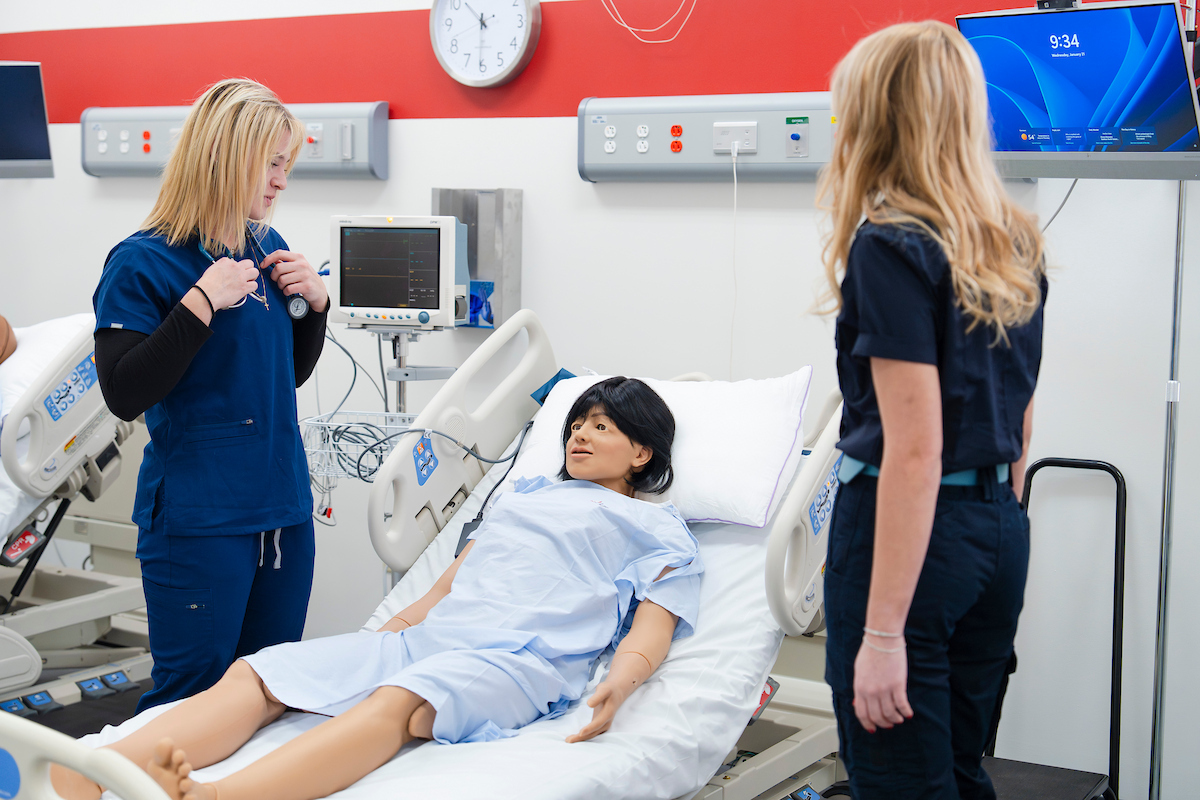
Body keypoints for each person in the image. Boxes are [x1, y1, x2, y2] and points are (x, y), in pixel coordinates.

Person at [51, 377, 703, 800]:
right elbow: (454, 580)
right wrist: (390, 633)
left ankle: (221, 797)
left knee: (402, 700)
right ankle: (107, 770)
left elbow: (656, 619)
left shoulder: (656, 527)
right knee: (263, 672)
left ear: (642, 454)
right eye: (577, 424)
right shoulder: (523, 494)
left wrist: (626, 678)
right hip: (433, 638)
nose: (579, 435)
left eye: (602, 427)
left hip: (519, 661)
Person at [816, 21, 1047, 800]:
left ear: (879, 119)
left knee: (899, 780)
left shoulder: (890, 246)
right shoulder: (1013, 241)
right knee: (956, 768)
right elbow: (1020, 421)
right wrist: (985, 525)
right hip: (997, 533)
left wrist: (882, 636)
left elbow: (915, 452)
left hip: (914, 541)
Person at [91, 79, 329, 712]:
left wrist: (315, 310)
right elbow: (124, 391)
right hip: (201, 518)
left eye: (288, 164)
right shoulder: (143, 263)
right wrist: (199, 303)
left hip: (281, 510)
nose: (281, 180)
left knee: (269, 694)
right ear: (225, 157)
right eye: (271, 162)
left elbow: (288, 376)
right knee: (193, 699)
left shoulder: (267, 247)